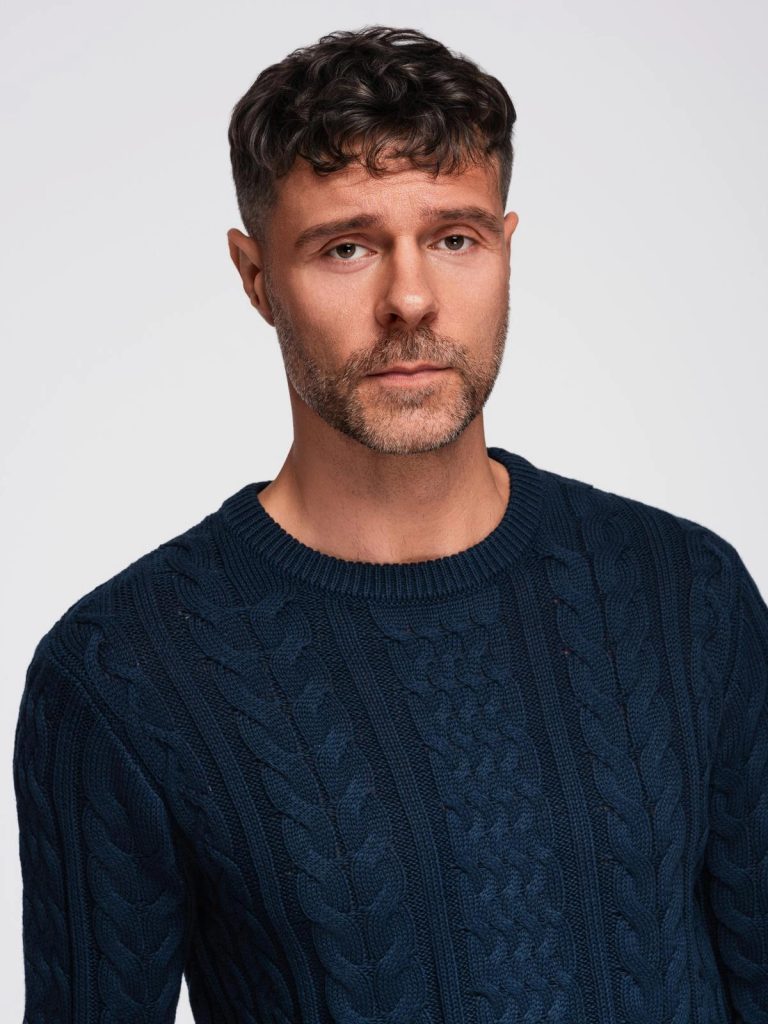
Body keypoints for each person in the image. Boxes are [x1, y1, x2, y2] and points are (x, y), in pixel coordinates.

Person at [12, 24, 768, 1024]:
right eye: (348, 247)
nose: (410, 299)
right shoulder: (123, 675)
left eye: (455, 239)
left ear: (505, 249)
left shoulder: (688, 596)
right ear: (255, 276)